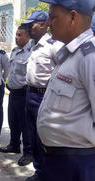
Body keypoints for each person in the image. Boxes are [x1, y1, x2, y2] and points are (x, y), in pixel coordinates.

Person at [36, 0, 95, 181]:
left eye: (53, 17)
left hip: (76, 162)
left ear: (72, 17)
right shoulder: (69, 53)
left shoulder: (90, 57)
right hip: (57, 159)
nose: (48, 24)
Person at [21, 10, 63, 181]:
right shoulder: (33, 45)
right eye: (29, 24)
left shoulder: (54, 45)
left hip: (44, 96)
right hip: (30, 94)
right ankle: (39, 172)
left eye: (34, 24)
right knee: (32, 136)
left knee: (44, 138)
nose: (30, 27)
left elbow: (62, 71)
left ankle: (48, 173)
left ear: (44, 23)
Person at [0, 25, 33, 166]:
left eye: (20, 35)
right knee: (13, 121)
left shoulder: (31, 52)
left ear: (27, 36)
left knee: (25, 124)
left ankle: (28, 152)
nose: (16, 37)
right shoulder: (14, 51)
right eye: (16, 34)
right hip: (12, 92)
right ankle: (14, 145)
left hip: (24, 92)